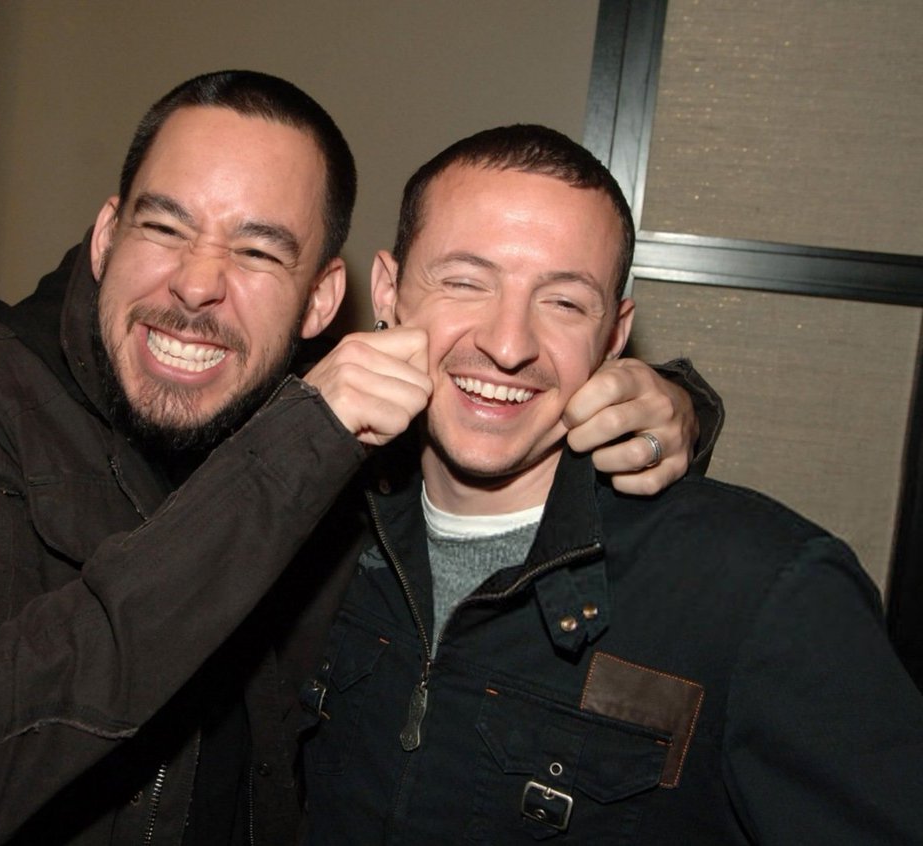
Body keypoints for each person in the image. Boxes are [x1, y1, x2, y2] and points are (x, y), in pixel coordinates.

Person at [0, 71, 715, 844]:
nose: (196, 286)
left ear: (322, 301)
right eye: (166, 227)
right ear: (105, 237)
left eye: (259, 250)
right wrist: (300, 439)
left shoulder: (343, 419)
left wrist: (675, 404)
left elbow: (506, 377)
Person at [299, 123, 923, 844]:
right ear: (390, 290)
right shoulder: (305, 536)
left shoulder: (759, 591)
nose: (508, 344)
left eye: (565, 302)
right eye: (467, 282)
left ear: (615, 334)